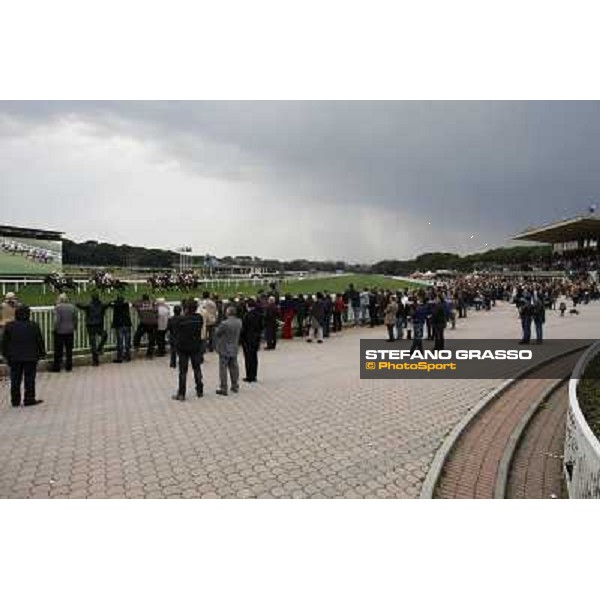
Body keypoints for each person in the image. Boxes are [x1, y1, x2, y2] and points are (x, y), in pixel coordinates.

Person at [1, 305, 46, 407]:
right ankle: (29, 399)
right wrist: (42, 353)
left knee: (15, 379)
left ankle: (15, 400)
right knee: (29, 379)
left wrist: (5, 354)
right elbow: (39, 341)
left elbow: (4, 342)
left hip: (14, 358)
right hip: (30, 357)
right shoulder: (34, 325)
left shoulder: (9, 326)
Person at [172, 299, 204, 401]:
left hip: (183, 348)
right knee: (197, 368)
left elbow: (175, 333)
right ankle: (199, 390)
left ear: (185, 309)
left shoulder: (180, 319)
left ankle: (181, 393)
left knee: (183, 371)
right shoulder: (199, 318)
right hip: (195, 346)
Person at [215, 305, 242, 396]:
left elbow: (217, 333)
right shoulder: (239, 322)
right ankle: (235, 385)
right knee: (234, 368)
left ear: (228, 313)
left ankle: (223, 387)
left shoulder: (224, 323)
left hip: (224, 348)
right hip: (234, 347)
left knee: (223, 369)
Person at [77, 293, 109, 366]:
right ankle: (99, 349)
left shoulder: (89, 306)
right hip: (99, 325)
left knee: (93, 343)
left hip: (91, 326)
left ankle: (96, 360)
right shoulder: (101, 305)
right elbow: (108, 304)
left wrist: (76, 303)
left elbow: (80, 305)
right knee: (104, 335)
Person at [51, 293, 78, 372]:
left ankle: (57, 367)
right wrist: (74, 327)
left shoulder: (58, 308)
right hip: (70, 330)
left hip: (60, 331)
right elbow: (75, 318)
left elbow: (57, 320)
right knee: (69, 350)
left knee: (58, 350)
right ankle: (69, 366)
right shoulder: (72, 307)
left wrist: (54, 329)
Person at [241, 299, 263, 383]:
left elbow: (244, 328)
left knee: (248, 358)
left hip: (248, 339)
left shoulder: (247, 315)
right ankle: (254, 375)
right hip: (256, 338)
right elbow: (261, 326)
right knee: (254, 357)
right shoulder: (258, 314)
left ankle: (249, 376)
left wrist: (241, 338)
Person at [133, 294, 158, 358]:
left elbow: (134, 303)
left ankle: (136, 346)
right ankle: (150, 354)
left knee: (137, 335)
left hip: (144, 323)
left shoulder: (140, 305)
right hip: (153, 323)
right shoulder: (152, 304)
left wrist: (139, 300)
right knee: (151, 339)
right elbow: (156, 309)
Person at [110, 295, 132, 363]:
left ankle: (120, 357)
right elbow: (130, 303)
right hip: (127, 324)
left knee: (120, 342)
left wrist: (114, 301)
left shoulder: (116, 305)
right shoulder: (126, 305)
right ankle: (127, 356)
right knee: (127, 341)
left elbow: (110, 303)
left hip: (119, 325)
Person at [167, 304, 183, 368]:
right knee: (181, 351)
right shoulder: (183, 318)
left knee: (173, 350)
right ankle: (181, 362)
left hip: (173, 336)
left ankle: (173, 363)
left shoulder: (171, 319)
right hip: (181, 336)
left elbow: (168, 328)